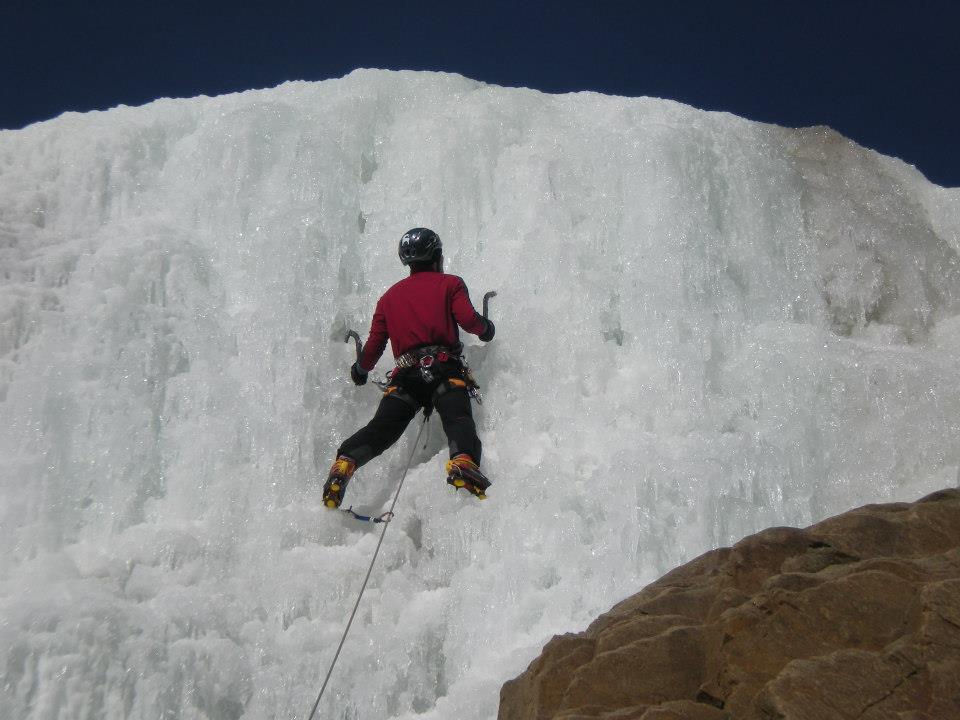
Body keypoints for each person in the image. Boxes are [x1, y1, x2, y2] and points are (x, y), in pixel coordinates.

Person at [323, 228, 495, 509]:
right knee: (458, 418)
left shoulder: (389, 298)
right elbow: (468, 320)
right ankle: (462, 460)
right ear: (438, 256)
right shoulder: (450, 284)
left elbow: (374, 348)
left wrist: (360, 370)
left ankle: (346, 462)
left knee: (381, 429)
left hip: (405, 379)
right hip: (444, 371)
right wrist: (486, 329)